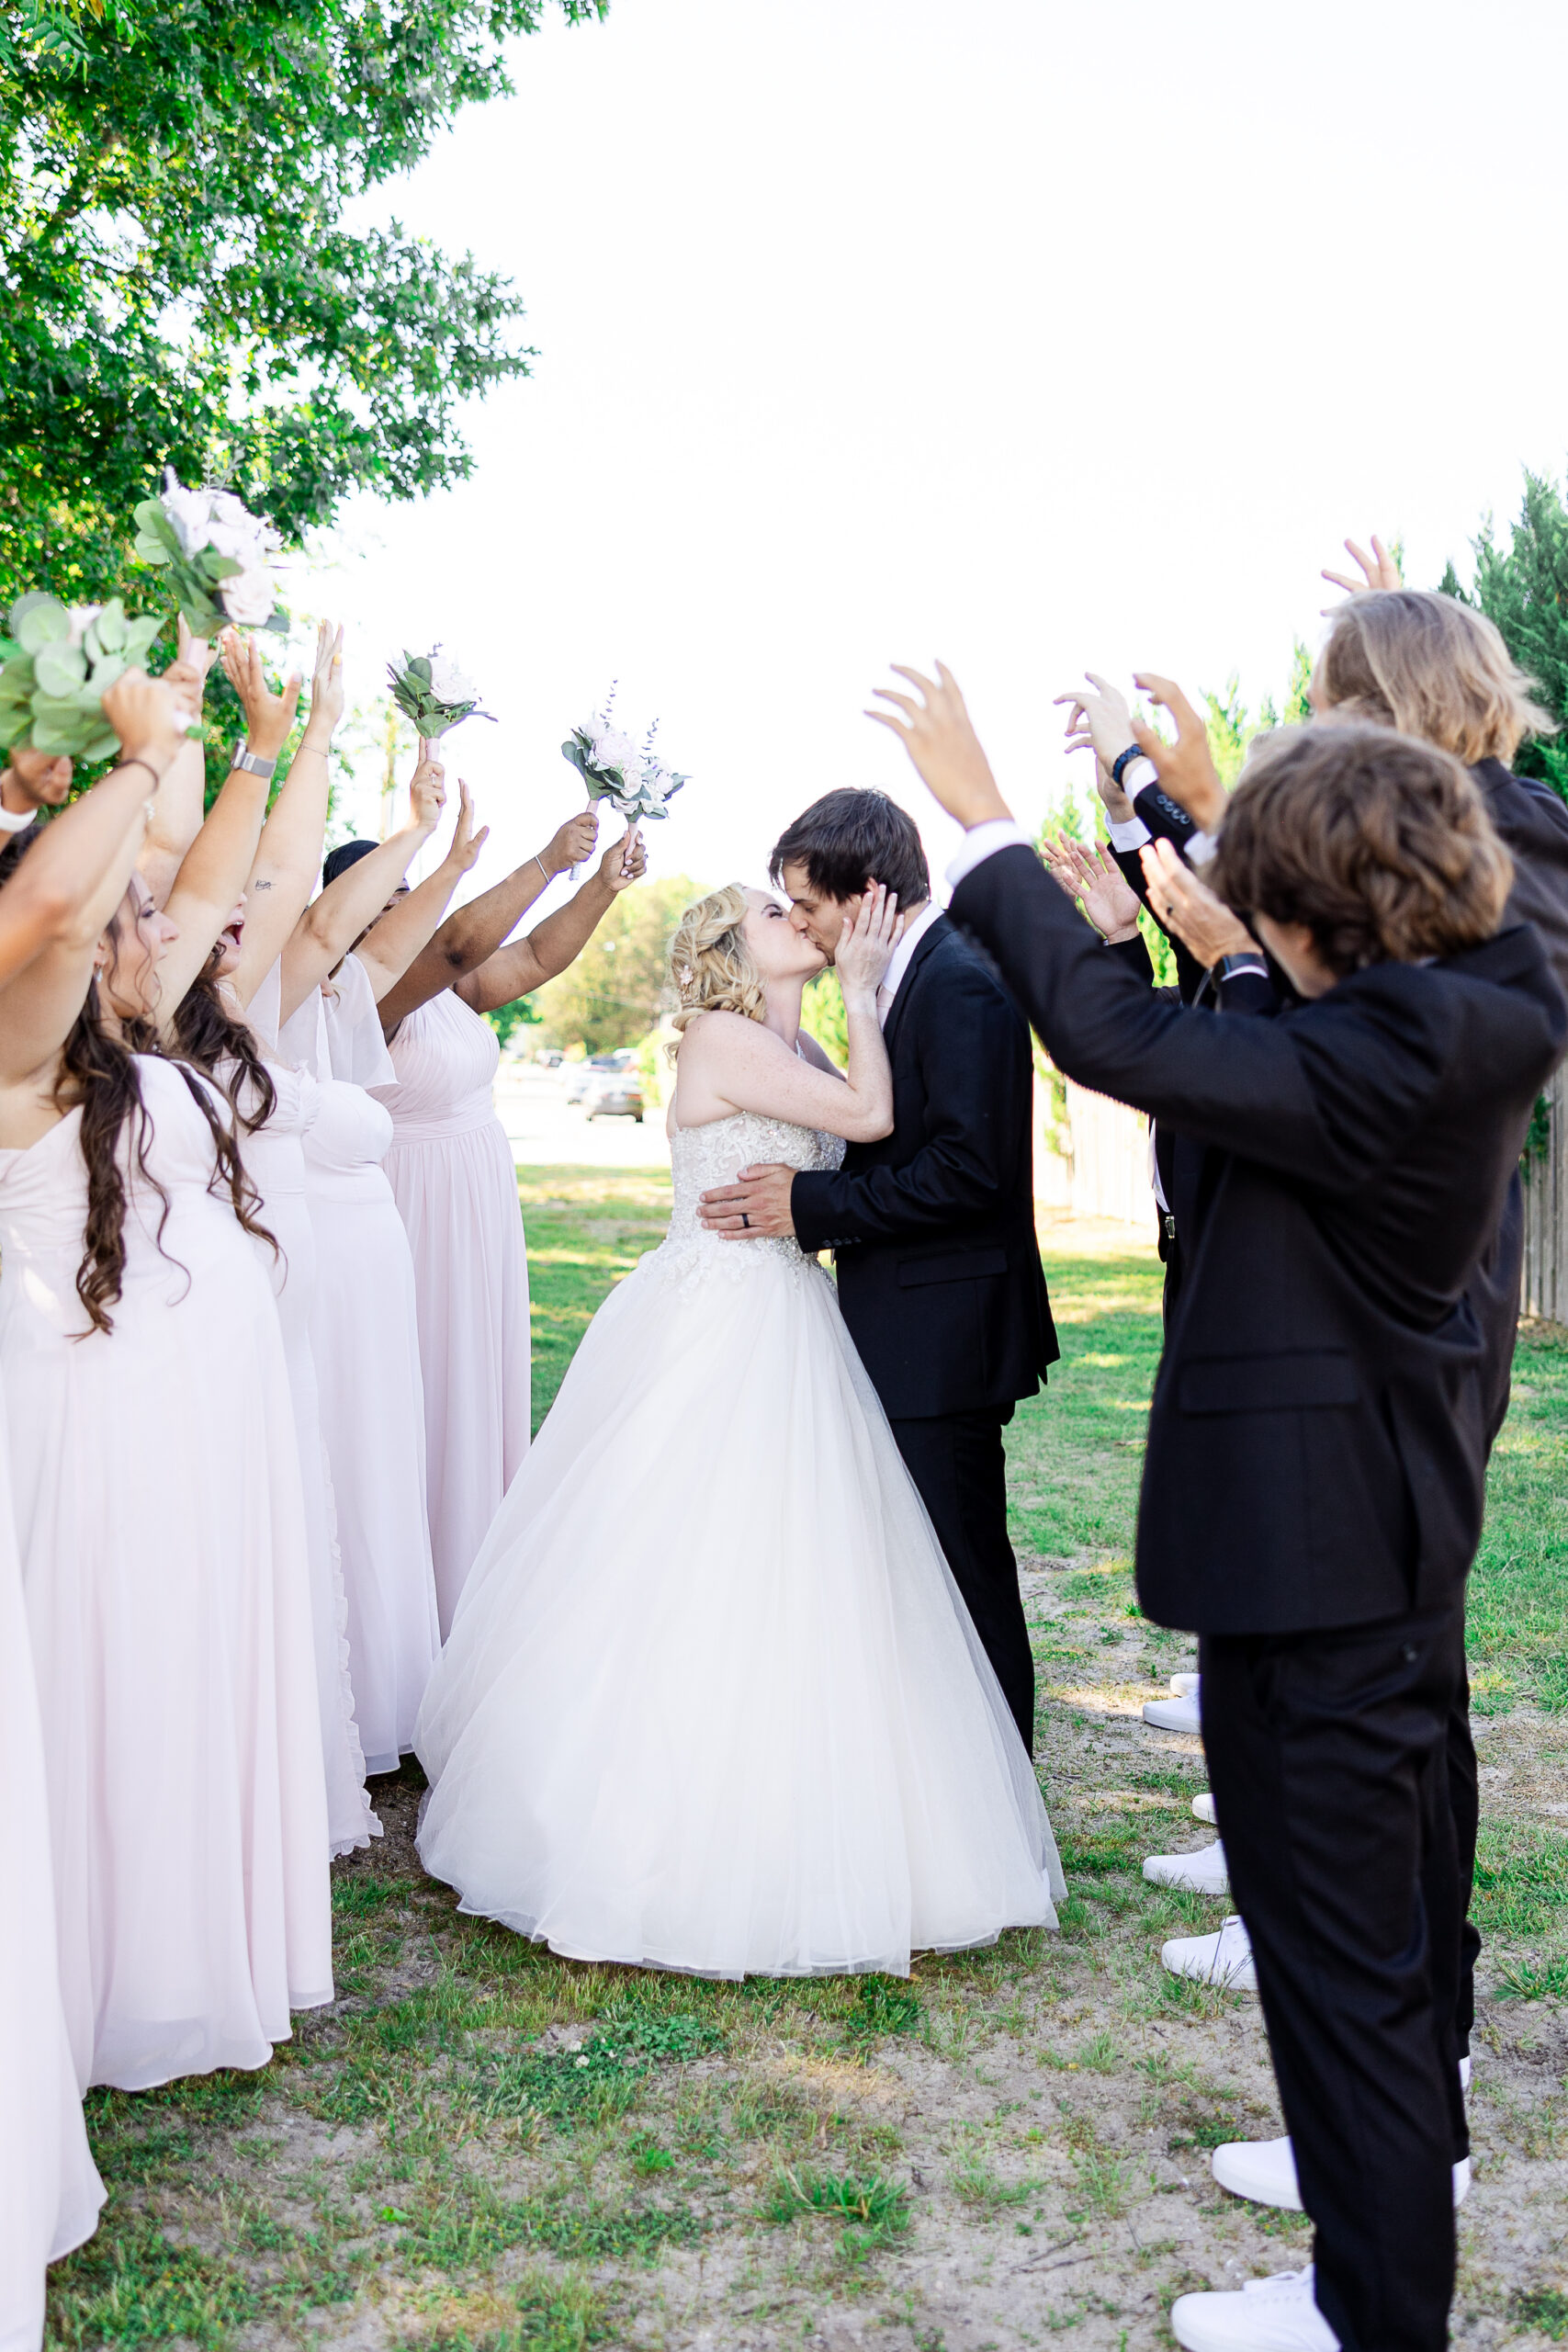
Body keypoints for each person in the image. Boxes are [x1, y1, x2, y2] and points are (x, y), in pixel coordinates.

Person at [870, 661, 1564, 2352]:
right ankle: (1354, 2287)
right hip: (1329, 1562)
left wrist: (981, 820)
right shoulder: (1439, 1005)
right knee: (1341, 1984)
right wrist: (1186, 846)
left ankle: (1366, 2317)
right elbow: (1236, 1005)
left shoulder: (1390, 1053)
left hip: (1327, 1576)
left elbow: (1111, 1038)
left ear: (1323, 915)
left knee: (1345, 1997)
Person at [414, 880, 1063, 1977]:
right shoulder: (720, 1037)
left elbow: (869, 1120)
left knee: (806, 1565)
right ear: (728, 948)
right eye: (773, 913)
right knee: (685, 1555)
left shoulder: (791, 1050)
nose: (797, 921)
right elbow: (867, 1117)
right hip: (714, 1312)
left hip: (791, 1309)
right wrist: (863, 992)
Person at [0, 664, 333, 2095]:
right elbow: (62, 909)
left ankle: (190, 1949)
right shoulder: (26, 1062)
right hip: (101, 1425)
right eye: (134, 917)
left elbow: (193, 892)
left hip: (206, 1428)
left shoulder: (140, 1040)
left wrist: (251, 746)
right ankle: (102, 1974)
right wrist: (141, 758)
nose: (168, 927)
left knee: (190, 1667)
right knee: (117, 1670)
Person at [695, 788, 1055, 1755]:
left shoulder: (961, 981)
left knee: (961, 1567)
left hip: (945, 1333)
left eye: (807, 902)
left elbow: (968, 1174)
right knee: (918, 1567)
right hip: (904, 1321)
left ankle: (998, 1781)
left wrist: (808, 1207)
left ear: (865, 893)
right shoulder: (906, 978)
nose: (802, 921)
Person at [370, 812, 647, 1632]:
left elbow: (529, 958)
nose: (409, 909)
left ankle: (469, 1594)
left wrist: (599, 885)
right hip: (410, 1205)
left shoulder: (450, 992)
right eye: (391, 898)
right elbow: (454, 942)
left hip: (475, 1206)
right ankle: (412, 1607)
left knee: (472, 1382)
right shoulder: (370, 989)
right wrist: (545, 861)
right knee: (422, 1392)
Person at [270, 766, 490, 1773]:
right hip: (308, 1264)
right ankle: (333, 1693)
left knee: (382, 1467)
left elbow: (406, 939)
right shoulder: (262, 1004)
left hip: (377, 1270)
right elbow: (345, 933)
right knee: (332, 1465)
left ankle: (397, 1693)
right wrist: (417, 831)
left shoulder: (345, 998)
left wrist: (445, 855)